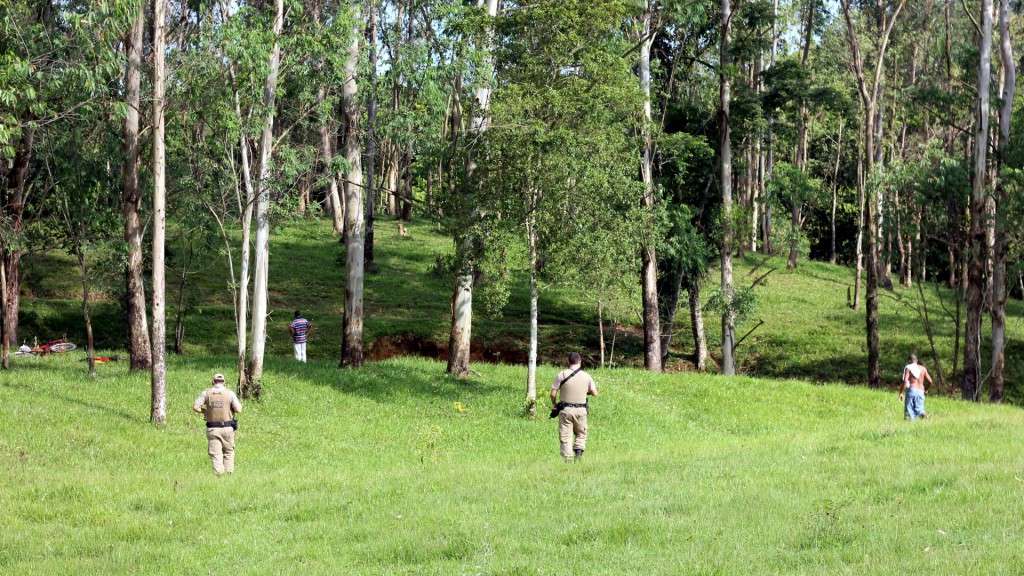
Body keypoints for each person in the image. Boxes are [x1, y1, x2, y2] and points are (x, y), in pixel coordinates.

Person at [550, 352, 598, 462]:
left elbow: (553, 394)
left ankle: (568, 460)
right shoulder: (587, 376)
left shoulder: (561, 374)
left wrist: (554, 404)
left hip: (565, 410)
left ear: (568, 361)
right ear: (580, 361)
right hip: (581, 410)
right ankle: (578, 454)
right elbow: (595, 393)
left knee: (566, 436)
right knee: (581, 433)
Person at [193, 373, 242, 475]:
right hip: (228, 428)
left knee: (216, 454)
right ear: (224, 382)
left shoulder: (206, 393)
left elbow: (195, 407)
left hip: (213, 429)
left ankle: (219, 475)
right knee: (228, 452)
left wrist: (206, 411)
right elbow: (238, 409)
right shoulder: (230, 393)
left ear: (213, 382)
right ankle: (229, 474)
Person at [900, 353, 932, 421]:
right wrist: (926, 390)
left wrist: (901, 393)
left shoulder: (908, 367)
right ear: (916, 360)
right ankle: (927, 419)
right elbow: (930, 381)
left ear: (909, 361)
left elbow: (905, 381)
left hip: (911, 390)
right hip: (921, 391)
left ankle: (909, 427)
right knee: (920, 410)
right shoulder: (923, 368)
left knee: (909, 412)